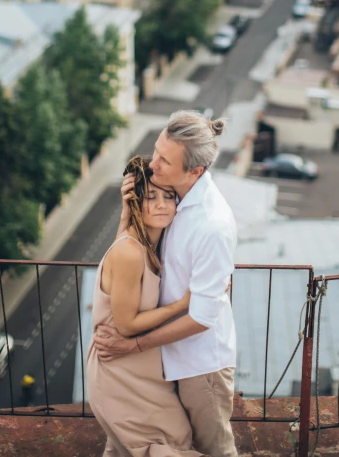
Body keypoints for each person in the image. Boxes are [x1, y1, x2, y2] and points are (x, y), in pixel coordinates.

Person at [93, 111, 238, 457]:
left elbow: (202, 317)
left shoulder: (211, 225)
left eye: (164, 160)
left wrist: (133, 346)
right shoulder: (169, 198)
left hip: (199, 366)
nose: (153, 163)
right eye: (157, 151)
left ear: (195, 171)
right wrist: (128, 214)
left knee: (213, 449)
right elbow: (129, 258)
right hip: (161, 357)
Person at [86, 154, 206, 457]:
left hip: (142, 369)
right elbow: (125, 324)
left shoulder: (146, 244)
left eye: (169, 196)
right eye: (150, 197)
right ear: (137, 201)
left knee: (156, 443)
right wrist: (184, 304)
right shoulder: (130, 250)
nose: (163, 204)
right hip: (120, 371)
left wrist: (127, 213)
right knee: (165, 445)